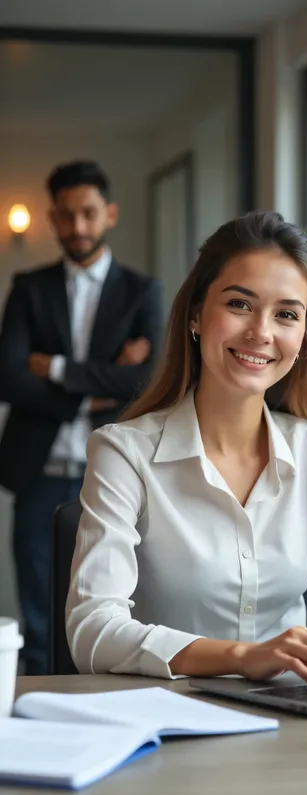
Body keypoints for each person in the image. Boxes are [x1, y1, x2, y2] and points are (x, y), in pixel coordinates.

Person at [66, 210, 307, 686]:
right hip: (167, 725)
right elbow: (92, 631)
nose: (261, 332)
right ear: (195, 314)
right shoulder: (124, 454)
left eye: (286, 314)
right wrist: (240, 656)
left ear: (302, 338)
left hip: (291, 725)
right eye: (239, 304)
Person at [0, 159, 162, 675]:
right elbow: (7, 379)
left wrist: (59, 369)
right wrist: (99, 383)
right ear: (52, 219)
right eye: (67, 216)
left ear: (109, 213)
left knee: (111, 611)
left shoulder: (142, 291)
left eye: (88, 213)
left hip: (116, 479)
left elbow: (145, 381)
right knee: (38, 614)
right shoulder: (29, 287)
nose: (78, 227)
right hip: (38, 475)